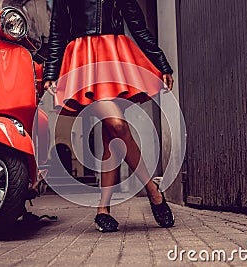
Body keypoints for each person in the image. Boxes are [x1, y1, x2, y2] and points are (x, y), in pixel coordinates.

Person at [42, 0, 175, 232]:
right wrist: (51, 72)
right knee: (117, 125)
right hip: (84, 59)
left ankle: (103, 209)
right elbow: (58, 30)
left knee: (111, 135)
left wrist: (161, 64)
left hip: (114, 57)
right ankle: (153, 192)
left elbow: (137, 25)